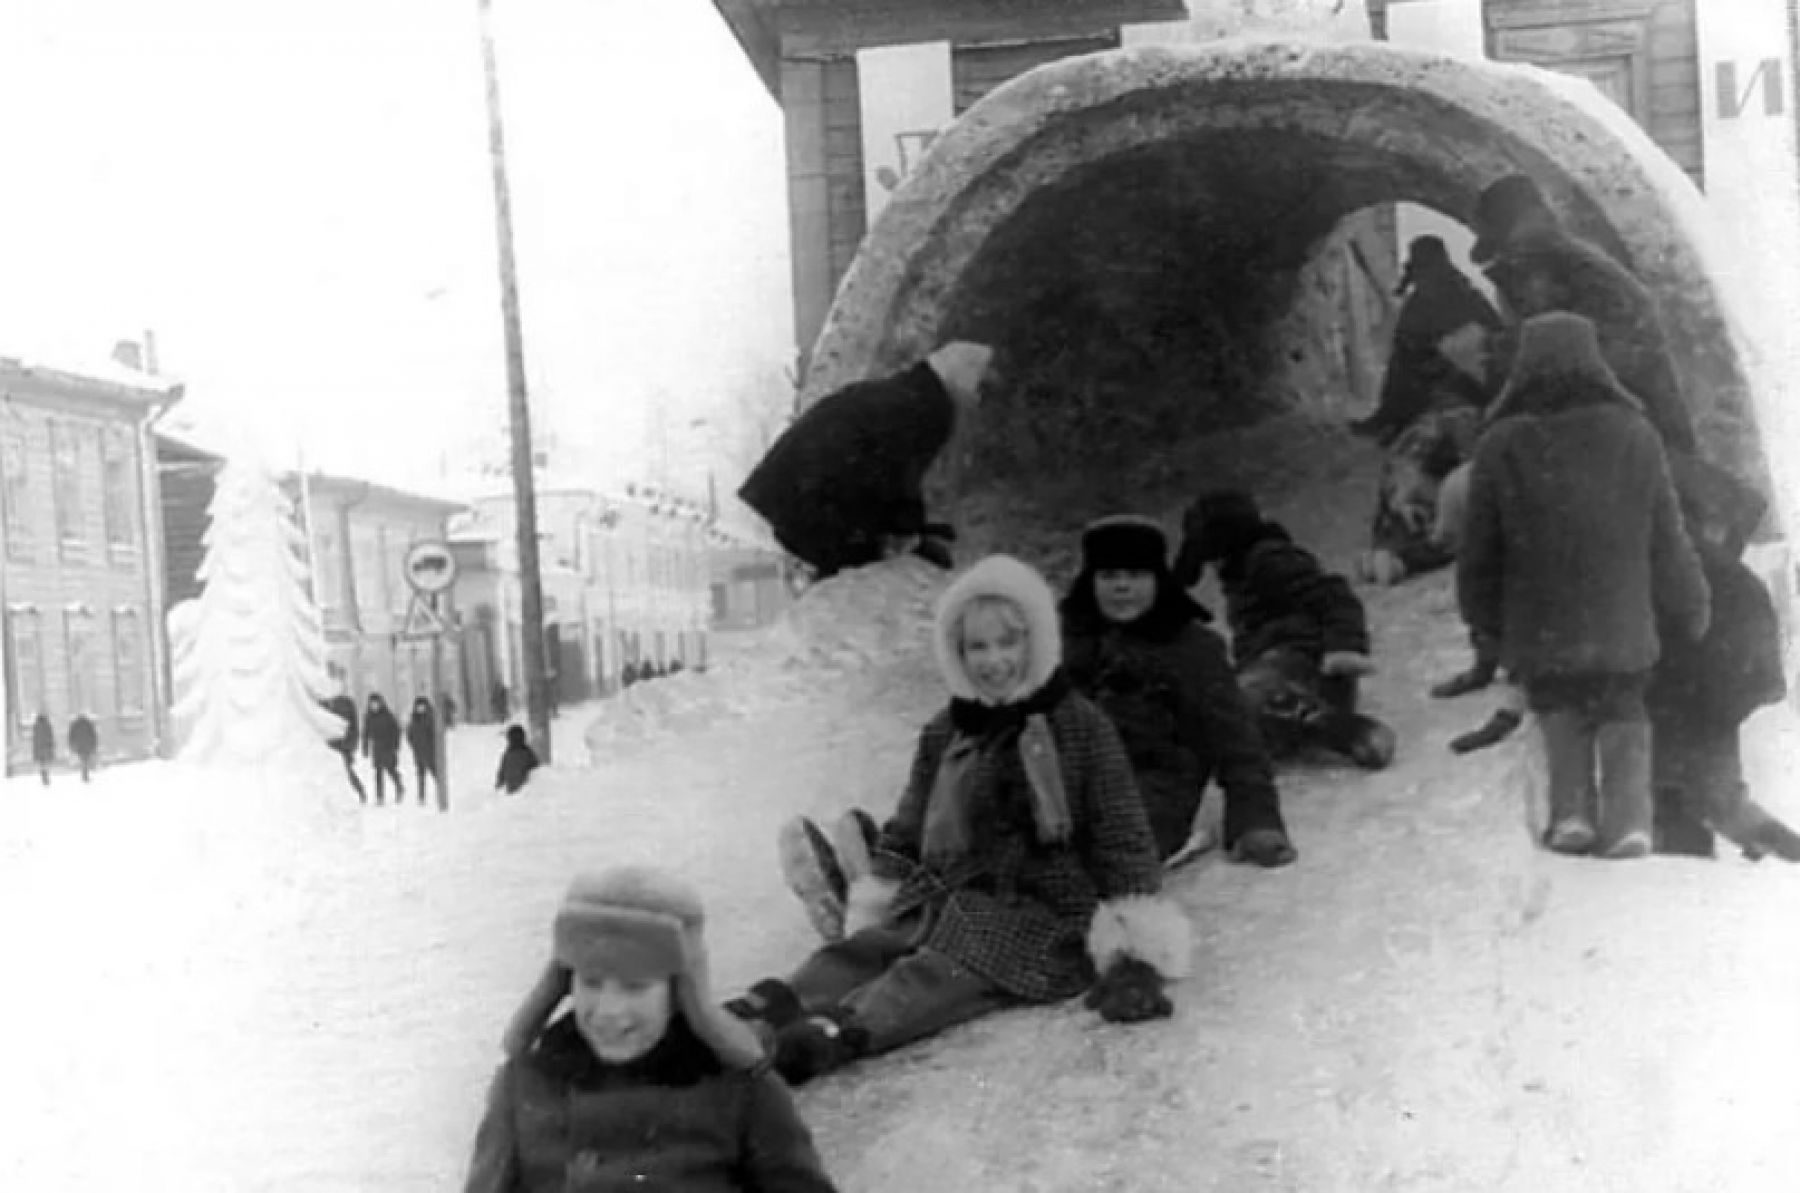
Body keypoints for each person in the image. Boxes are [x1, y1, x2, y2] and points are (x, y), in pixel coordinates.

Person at [726, 554, 1190, 1088]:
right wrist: (886, 880)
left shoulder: (1079, 726)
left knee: (940, 968)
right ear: (957, 653)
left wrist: (1132, 952)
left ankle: (836, 1031)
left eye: (1008, 643)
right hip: (949, 890)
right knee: (876, 943)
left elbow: (1123, 836)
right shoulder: (948, 730)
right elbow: (910, 821)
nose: (994, 661)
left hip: (1040, 912)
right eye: (977, 647)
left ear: (1035, 643)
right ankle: (774, 1004)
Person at [1457, 312, 1710, 859]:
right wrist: (1691, 604)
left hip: (1540, 615)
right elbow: (1667, 536)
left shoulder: (1501, 442)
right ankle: (1630, 822)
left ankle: (1571, 814)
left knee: (1559, 704)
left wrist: (1482, 618)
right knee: (1624, 705)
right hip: (1621, 612)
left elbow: (1480, 547)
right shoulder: (1634, 433)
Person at [472, 866, 839, 1193]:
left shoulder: (740, 1090)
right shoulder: (526, 1085)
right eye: (591, 982)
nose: (609, 1011)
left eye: (635, 987)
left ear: (679, 991)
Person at [1060, 515, 1296, 868]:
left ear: (1158, 580)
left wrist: (1254, 817)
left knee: (1104, 848)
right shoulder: (1067, 644)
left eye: (1135, 575)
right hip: (1073, 777)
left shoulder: (1190, 649)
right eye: (1109, 577)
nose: (1121, 587)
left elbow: (1237, 741)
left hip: (1157, 783)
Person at [1174, 490, 1396, 769]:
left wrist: (1344, 647)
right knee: (1218, 710)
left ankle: (1351, 731)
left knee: (1246, 698)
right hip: (1272, 671)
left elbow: (1334, 597)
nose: (1213, 567)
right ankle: (1280, 730)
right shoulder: (1240, 574)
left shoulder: (1270, 560)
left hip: (1308, 665)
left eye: (1211, 557)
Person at [737, 341, 994, 580]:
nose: (980, 400)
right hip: (811, 502)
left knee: (850, 556)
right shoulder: (929, 409)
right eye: (981, 387)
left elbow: (878, 463)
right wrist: (909, 533)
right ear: (965, 379)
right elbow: (897, 471)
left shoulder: (907, 393)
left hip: (792, 494)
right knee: (861, 562)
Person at [1647, 483, 1800, 862]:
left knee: (1671, 790)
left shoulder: (1659, 569)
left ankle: (1692, 870)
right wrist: (1739, 700)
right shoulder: (1739, 575)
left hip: (1672, 699)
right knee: (1722, 800)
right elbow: (1766, 659)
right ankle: (1782, 848)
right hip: (1719, 704)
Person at [1352, 234, 1502, 446]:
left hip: (1464, 379)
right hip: (1424, 375)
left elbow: (1493, 334)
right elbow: (1405, 342)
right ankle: (1392, 420)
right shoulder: (1418, 302)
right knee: (1403, 365)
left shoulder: (1464, 295)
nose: (1423, 280)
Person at [323, 691, 366, 802]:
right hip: (329, 744)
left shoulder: (346, 702)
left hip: (344, 745)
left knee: (347, 771)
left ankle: (360, 792)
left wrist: (351, 743)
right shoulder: (324, 701)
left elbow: (354, 725)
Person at [362, 693, 404, 806]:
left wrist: (395, 745)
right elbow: (366, 733)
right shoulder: (368, 717)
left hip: (388, 746)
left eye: (376, 703)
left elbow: (396, 730)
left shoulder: (388, 716)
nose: (374, 706)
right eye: (372, 704)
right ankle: (380, 796)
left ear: (380, 703)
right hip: (376, 748)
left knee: (391, 770)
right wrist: (365, 747)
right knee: (378, 773)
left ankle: (399, 787)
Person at [406, 697, 439, 806]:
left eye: (422, 706)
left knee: (435, 773)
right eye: (418, 706)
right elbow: (409, 734)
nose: (420, 708)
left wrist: (433, 746)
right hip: (418, 752)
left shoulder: (431, 718)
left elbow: (436, 734)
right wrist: (413, 745)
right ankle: (421, 797)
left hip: (430, 751)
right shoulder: (414, 719)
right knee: (420, 775)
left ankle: (441, 792)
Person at [495, 724, 540, 795]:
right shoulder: (528, 753)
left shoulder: (508, 754)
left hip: (514, 791)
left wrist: (498, 786)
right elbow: (537, 770)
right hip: (525, 792)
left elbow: (501, 773)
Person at [67, 714, 98, 783]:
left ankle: (84, 774)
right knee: (86, 759)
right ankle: (85, 774)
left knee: (83, 759)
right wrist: (94, 745)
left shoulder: (75, 724)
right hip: (87, 745)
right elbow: (93, 735)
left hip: (79, 745)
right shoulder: (88, 723)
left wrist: (72, 745)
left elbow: (71, 735)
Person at [31, 711, 55, 786]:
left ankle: (44, 776)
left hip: (38, 748)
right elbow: (50, 736)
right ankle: (46, 777)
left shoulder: (36, 726)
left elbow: (34, 738)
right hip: (46, 747)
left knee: (41, 763)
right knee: (46, 762)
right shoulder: (48, 725)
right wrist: (52, 745)